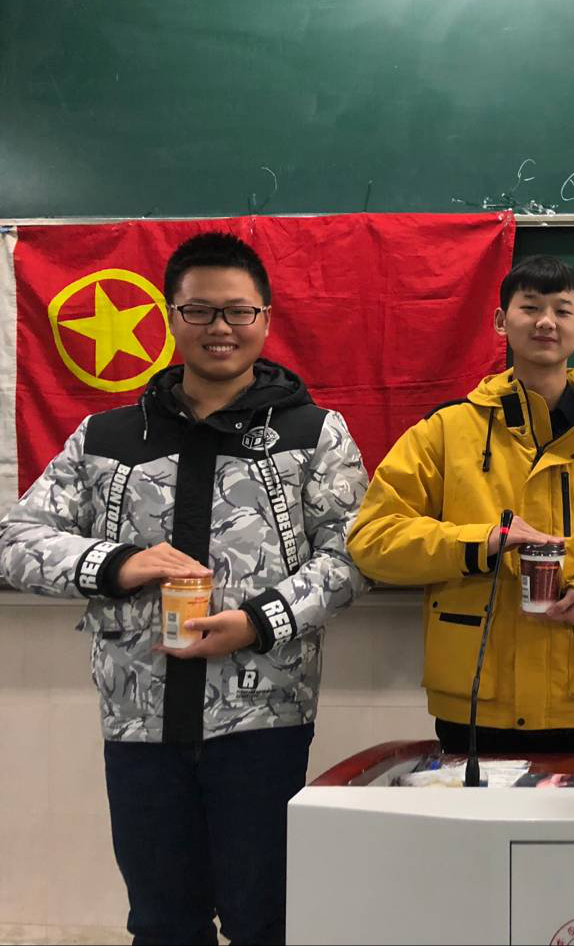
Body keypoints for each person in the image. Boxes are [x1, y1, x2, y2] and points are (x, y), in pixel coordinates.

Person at [0, 231, 368, 945]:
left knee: (266, 920)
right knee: (162, 922)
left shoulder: (313, 433)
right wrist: (118, 563)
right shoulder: (107, 436)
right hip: (138, 721)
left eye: (238, 311)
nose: (219, 327)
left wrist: (260, 621)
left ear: (265, 318)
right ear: (171, 317)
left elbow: (354, 556)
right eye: (199, 311)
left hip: (265, 718)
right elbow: (15, 541)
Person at [347, 254, 574, 754]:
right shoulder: (446, 431)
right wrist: (479, 543)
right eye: (531, 307)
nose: (546, 322)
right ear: (502, 321)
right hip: (476, 701)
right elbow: (372, 540)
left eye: (562, 311)